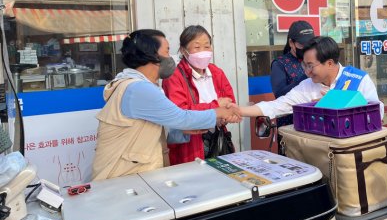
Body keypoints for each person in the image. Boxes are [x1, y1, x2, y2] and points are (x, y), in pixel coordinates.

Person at [92, 29, 241, 180]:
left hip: (134, 175)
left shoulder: (143, 85)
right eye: (167, 52)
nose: (171, 58)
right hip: (122, 178)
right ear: (152, 56)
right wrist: (219, 111)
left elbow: (156, 129)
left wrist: (182, 131)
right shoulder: (139, 89)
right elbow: (182, 117)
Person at [238, 36, 383, 119]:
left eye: (310, 66)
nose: (307, 72)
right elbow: (277, 106)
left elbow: (378, 112)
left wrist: (339, 103)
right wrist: (238, 111)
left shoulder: (358, 79)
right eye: (304, 66)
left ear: (330, 63)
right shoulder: (307, 86)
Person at [162, 25, 238, 164]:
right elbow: (181, 113)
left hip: (217, 138)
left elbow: (230, 100)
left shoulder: (216, 72)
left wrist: (227, 115)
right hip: (190, 145)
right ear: (183, 50)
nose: (203, 51)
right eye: (196, 47)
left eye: (207, 46)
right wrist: (216, 107)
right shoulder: (174, 76)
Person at [270, 20, 315, 128]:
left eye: (309, 44)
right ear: (291, 43)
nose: (305, 48)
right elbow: (280, 95)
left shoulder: (316, 59)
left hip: (314, 120)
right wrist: (304, 77)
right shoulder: (280, 64)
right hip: (290, 123)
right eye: (301, 44)